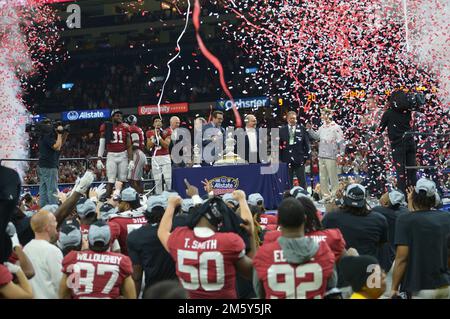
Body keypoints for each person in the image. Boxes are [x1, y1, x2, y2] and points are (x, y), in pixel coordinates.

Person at [158, 191, 256, 299]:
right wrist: (251, 234)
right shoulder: (229, 242)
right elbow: (253, 273)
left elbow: (162, 232)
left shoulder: (180, 237)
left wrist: (171, 206)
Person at [252, 198, 335, 299]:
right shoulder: (323, 250)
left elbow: (259, 292)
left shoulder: (264, 253)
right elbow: (331, 287)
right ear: (305, 218)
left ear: (279, 222)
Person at [391, 178, 450, 299]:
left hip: (420, 287)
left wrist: (393, 288)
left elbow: (402, 258)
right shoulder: (446, 217)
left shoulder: (404, 220)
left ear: (414, 197)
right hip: (444, 284)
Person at [59, 221, 136, 299]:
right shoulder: (121, 261)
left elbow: (63, 295)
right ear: (109, 240)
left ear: (88, 238)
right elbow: (131, 297)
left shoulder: (72, 258)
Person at [127, 195, 177, 297]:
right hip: (176, 292)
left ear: (147, 212)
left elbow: (137, 276)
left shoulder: (136, 236)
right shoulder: (178, 231)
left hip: (152, 292)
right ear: (166, 212)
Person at [322, 184, 388, 259]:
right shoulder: (379, 219)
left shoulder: (331, 218)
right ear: (364, 199)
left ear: (345, 198)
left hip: (341, 267)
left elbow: (322, 241)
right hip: (369, 266)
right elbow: (382, 244)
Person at [377, 90, 424, 193]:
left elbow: (378, 130)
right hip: (410, 143)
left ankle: (402, 197)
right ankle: (413, 196)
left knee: (401, 174)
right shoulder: (407, 112)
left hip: (398, 146)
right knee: (411, 171)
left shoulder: (388, 113)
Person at [307, 108, 345, 201]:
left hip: (331, 156)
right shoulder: (322, 127)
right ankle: (325, 196)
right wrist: (310, 129)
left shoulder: (336, 127)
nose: (321, 116)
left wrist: (341, 154)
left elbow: (342, 142)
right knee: (323, 177)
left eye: (323, 114)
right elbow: (316, 137)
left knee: (333, 177)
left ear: (328, 115)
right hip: (321, 155)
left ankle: (335, 196)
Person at [23, 210, 63, 299]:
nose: (57, 223)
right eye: (54, 221)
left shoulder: (26, 249)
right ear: (47, 228)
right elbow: (60, 283)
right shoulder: (52, 251)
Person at [97, 109, 134, 198]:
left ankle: (125, 197)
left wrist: (131, 160)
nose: (119, 117)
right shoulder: (106, 126)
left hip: (123, 155)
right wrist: (99, 158)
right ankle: (107, 196)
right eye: (117, 115)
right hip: (111, 155)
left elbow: (129, 145)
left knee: (123, 179)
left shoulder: (125, 127)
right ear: (112, 117)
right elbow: (102, 144)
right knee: (111, 179)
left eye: (120, 116)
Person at [372, 190, 409, 272]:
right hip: (403, 254)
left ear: (385, 204)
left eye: (383, 196)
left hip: (388, 259)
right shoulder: (404, 211)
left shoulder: (379, 210)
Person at [38, 119, 69, 207]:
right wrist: (59, 133)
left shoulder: (44, 135)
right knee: (52, 189)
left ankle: (44, 209)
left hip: (44, 165)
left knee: (43, 188)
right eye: (47, 124)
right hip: (49, 166)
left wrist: (65, 133)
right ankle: (54, 210)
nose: (50, 125)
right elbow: (57, 147)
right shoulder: (47, 136)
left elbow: (60, 144)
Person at [108, 187, 147, 256]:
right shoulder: (150, 217)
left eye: (120, 202)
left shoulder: (116, 221)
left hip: (127, 261)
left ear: (127, 206)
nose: (118, 205)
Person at [279, 111, 311, 189]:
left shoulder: (302, 128)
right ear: (287, 119)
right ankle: (289, 197)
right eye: (291, 118)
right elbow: (279, 145)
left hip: (299, 158)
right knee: (288, 180)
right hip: (286, 159)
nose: (293, 120)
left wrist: (308, 157)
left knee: (302, 180)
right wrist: (279, 158)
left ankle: (304, 196)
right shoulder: (281, 130)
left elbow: (306, 143)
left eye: (294, 118)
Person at [146, 117, 172, 194]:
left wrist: (159, 137)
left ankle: (168, 196)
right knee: (158, 181)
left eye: (159, 121)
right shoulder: (149, 133)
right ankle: (159, 198)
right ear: (153, 124)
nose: (157, 122)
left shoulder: (167, 131)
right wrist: (154, 137)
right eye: (155, 121)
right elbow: (148, 147)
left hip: (165, 157)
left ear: (162, 123)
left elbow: (166, 145)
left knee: (168, 179)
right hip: (155, 158)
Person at [126, 115, 147, 194]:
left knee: (131, 179)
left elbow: (136, 144)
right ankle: (141, 196)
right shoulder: (136, 128)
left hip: (136, 153)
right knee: (137, 180)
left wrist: (126, 149)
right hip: (139, 153)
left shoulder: (132, 128)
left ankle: (138, 197)